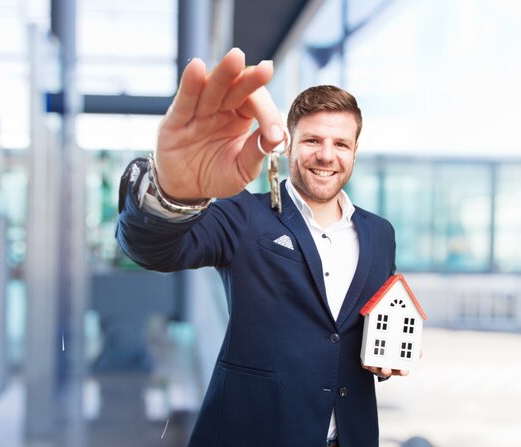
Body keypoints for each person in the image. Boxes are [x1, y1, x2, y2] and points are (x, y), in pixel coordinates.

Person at [116, 48, 408, 447]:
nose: (327, 154)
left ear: (354, 151)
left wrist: (384, 357)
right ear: (288, 147)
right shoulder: (244, 216)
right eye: (312, 140)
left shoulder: (380, 233)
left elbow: (355, 329)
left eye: (341, 143)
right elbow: (154, 251)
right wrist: (172, 191)